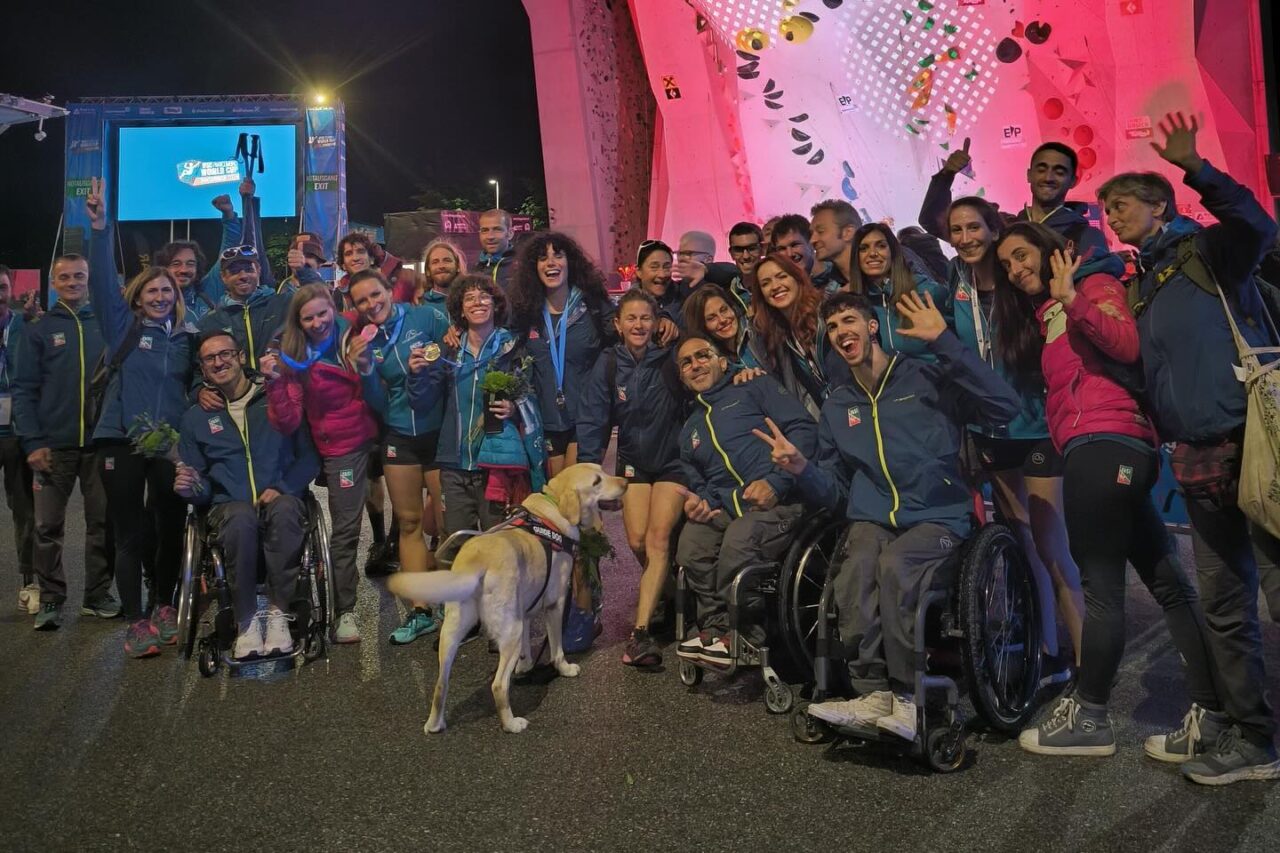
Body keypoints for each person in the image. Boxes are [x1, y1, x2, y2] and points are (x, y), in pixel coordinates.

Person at [992, 223, 1223, 766]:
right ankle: (1213, 713)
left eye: (1021, 255)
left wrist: (1072, 296)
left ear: (1056, 253)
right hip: (1106, 446)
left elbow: (1124, 343)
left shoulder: (1094, 286)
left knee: (1100, 586)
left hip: (1105, 445)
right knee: (1168, 583)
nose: (1015, 268)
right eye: (1007, 264)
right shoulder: (1051, 308)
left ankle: (1091, 715)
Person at [1097, 111, 1280, 783]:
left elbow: (1260, 227)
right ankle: (1251, 737)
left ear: (1160, 206)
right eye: (1109, 210)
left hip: (1253, 440)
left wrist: (1196, 167)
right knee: (1226, 604)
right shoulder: (1140, 285)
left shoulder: (1205, 252)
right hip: (1197, 457)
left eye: (1123, 205)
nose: (1114, 216)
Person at [761, 291, 1019, 741]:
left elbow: (1004, 407)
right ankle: (872, 692)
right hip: (874, 519)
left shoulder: (925, 378)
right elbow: (838, 492)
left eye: (848, 321)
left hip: (938, 515)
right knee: (855, 570)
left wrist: (944, 341)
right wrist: (802, 469)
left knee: (896, 566)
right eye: (834, 327)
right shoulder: (840, 405)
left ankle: (906, 696)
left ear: (872, 325)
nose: (843, 332)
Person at [936, 194, 1084, 673]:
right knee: (1021, 539)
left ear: (993, 227)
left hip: (1036, 425)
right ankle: (1047, 650)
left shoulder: (1016, 281)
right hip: (989, 429)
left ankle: (1087, 669)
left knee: (1050, 542)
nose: (965, 239)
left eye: (974, 228)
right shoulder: (953, 284)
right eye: (956, 231)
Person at [84, 179, 199, 657]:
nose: (159, 295)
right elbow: (100, 285)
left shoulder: (188, 338)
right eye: (151, 289)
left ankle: (165, 606)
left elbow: (196, 386)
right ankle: (136, 622)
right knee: (133, 533)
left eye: (167, 290)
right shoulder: (123, 327)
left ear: (176, 295)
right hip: (120, 441)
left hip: (168, 446)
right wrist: (98, 228)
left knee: (170, 529)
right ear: (136, 298)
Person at [672, 335, 817, 664]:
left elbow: (804, 429)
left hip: (786, 500)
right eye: (686, 362)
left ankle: (746, 635)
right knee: (691, 543)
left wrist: (777, 482)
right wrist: (702, 502)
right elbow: (702, 484)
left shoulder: (754, 387)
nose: (696, 365)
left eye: (702, 356)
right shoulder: (689, 430)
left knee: (739, 540)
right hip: (733, 508)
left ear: (722, 361)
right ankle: (716, 626)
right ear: (682, 377)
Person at [175, 330, 319, 660]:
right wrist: (190, 488)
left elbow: (308, 457)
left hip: (281, 497)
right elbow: (200, 485)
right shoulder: (196, 418)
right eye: (210, 358)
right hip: (229, 507)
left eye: (225, 354)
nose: (219, 362)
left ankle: (279, 615)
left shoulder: (275, 397)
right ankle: (246, 621)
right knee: (239, 517)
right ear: (202, 369)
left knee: (284, 510)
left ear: (241, 357)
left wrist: (283, 487)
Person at [508, 231, 617, 649]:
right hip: (546, 426)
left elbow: (624, 340)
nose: (551, 262)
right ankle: (566, 600)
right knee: (559, 519)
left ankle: (586, 609)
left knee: (582, 517)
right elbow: (501, 348)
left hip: (585, 422)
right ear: (533, 267)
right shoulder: (526, 314)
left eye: (559, 255)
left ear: (572, 262)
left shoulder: (592, 308)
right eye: (542, 257)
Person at [262, 284, 379, 645]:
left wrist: (366, 362)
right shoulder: (292, 354)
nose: (317, 322)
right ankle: (322, 608)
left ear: (334, 308)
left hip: (364, 437)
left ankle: (354, 610)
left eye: (322, 313)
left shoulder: (353, 335)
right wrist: (276, 384)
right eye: (308, 317)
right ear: (298, 321)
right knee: (325, 526)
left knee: (370, 528)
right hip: (323, 445)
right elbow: (287, 422)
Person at [577, 290, 686, 667]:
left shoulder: (671, 357)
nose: (639, 325)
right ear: (618, 325)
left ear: (657, 323)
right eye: (631, 319)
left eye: (646, 318)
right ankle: (675, 598)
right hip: (634, 464)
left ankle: (640, 635)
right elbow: (593, 419)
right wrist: (590, 474)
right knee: (638, 542)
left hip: (674, 462)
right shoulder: (609, 364)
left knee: (657, 540)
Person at [348, 269, 453, 645]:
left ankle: (450, 602)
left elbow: (452, 348)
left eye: (376, 294)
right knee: (408, 522)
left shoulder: (425, 316)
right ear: (355, 307)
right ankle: (421, 610)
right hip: (399, 436)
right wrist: (364, 371)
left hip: (440, 432)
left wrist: (428, 356)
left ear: (389, 290)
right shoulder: (364, 342)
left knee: (444, 522)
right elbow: (377, 402)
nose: (371, 304)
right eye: (362, 301)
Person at [14, 245, 115, 629]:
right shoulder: (40, 330)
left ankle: (97, 595)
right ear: (53, 283)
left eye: (80, 276)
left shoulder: (105, 326)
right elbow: (23, 390)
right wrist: (33, 442)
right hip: (51, 447)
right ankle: (52, 598)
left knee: (102, 524)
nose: (73, 282)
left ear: (89, 281)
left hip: (99, 445)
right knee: (47, 527)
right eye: (65, 277)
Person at [418, 274, 544, 539]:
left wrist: (514, 408)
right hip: (454, 464)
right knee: (454, 545)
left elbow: (531, 397)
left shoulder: (513, 349)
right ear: (460, 309)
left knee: (498, 545)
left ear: (496, 304)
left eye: (484, 296)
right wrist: (417, 374)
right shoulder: (448, 351)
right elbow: (424, 399)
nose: (478, 302)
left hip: (495, 465)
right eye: (469, 298)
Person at [920, 137, 1109, 260]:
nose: (1048, 177)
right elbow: (932, 220)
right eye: (1041, 169)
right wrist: (946, 174)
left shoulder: (1087, 237)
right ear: (1029, 175)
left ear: (1073, 181)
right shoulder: (1002, 226)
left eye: (1059, 172)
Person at [154, 177, 269, 321]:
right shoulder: (152, 300)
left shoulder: (206, 291)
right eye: (176, 264)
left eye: (190, 264)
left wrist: (228, 214)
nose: (183, 270)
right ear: (164, 268)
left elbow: (229, 250)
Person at [839, 222, 950, 360]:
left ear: (893, 252)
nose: (873, 253)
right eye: (864, 248)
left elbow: (956, 349)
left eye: (881, 246)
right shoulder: (855, 305)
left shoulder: (928, 292)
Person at [748, 253, 828, 416]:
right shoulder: (776, 334)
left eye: (781, 276)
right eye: (765, 283)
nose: (775, 286)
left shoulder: (826, 313)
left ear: (797, 278)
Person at [0, 265, 36, 614]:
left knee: (24, 510)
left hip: (15, 432)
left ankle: (29, 581)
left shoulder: (23, 326)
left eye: (2, 286)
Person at [195, 245, 289, 373]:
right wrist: (199, 389)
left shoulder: (284, 304)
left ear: (259, 271)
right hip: (237, 392)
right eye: (234, 271)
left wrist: (306, 272)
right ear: (223, 277)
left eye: (249, 269)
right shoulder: (210, 322)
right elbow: (197, 368)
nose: (243, 276)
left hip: (278, 388)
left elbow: (322, 309)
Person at [682, 283, 767, 372]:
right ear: (701, 327)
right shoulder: (709, 364)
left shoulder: (758, 330)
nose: (722, 320)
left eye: (724, 310)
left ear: (732, 308)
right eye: (711, 318)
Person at [335, 232, 417, 310]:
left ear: (371, 258)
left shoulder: (398, 280)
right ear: (343, 265)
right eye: (349, 254)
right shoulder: (339, 295)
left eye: (361, 251)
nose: (356, 258)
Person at [675, 230, 750, 312]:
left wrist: (707, 269)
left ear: (708, 259)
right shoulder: (676, 288)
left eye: (688, 254)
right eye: (679, 253)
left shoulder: (723, 285)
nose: (681, 258)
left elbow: (733, 270)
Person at [770, 213, 837, 290]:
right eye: (782, 249)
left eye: (795, 245)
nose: (789, 254)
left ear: (811, 243)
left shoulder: (838, 277)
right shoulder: (782, 288)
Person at [633, 240, 683, 337]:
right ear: (639, 272)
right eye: (654, 267)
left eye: (667, 267)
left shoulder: (683, 296)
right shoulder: (627, 306)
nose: (662, 274)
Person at [809, 199, 863, 288]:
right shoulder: (823, 289)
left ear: (848, 232)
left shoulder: (884, 277)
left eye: (820, 231)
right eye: (811, 234)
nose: (812, 240)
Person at [475, 209, 517, 289]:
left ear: (510, 233)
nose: (490, 236)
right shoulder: (474, 270)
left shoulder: (524, 266)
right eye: (485, 230)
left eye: (497, 229)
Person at [276, 232, 328, 296]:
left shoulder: (330, 294)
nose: (301, 260)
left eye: (309, 256)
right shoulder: (276, 290)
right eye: (296, 255)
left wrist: (304, 271)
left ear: (319, 264)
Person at [420, 238, 466, 310]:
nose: (441, 266)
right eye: (435, 262)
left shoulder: (469, 300)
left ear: (458, 266)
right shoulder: (419, 304)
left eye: (447, 260)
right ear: (428, 270)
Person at [726, 221, 765, 300]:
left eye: (752, 248)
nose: (746, 256)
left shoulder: (775, 284)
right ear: (731, 254)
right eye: (738, 250)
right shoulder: (727, 293)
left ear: (762, 249)